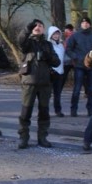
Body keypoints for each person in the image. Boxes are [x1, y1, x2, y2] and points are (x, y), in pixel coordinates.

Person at [16, 19, 61, 149]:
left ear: (43, 29)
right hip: (29, 82)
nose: (38, 27)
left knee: (44, 112)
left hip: (45, 83)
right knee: (26, 111)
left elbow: (56, 62)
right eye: (35, 26)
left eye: (40, 26)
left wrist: (48, 56)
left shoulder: (48, 44)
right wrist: (28, 27)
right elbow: (21, 40)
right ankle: (23, 137)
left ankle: (42, 137)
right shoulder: (28, 43)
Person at [65, 17, 92, 117]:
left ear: (90, 24)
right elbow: (68, 49)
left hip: (91, 67)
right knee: (77, 89)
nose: (85, 24)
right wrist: (75, 57)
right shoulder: (75, 36)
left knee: (91, 89)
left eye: (87, 23)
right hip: (79, 66)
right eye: (83, 22)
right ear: (80, 24)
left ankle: (90, 110)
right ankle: (73, 109)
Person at [48, 26, 66, 117]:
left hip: (60, 72)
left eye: (57, 33)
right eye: (54, 34)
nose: (56, 35)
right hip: (51, 72)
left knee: (57, 93)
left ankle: (58, 110)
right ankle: (44, 111)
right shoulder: (48, 45)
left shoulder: (61, 45)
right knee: (47, 93)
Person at [62, 24, 75, 88]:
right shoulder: (75, 36)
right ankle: (86, 91)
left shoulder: (69, 38)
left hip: (68, 60)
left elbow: (65, 49)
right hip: (74, 60)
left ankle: (58, 89)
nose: (64, 32)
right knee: (79, 76)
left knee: (63, 77)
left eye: (65, 30)